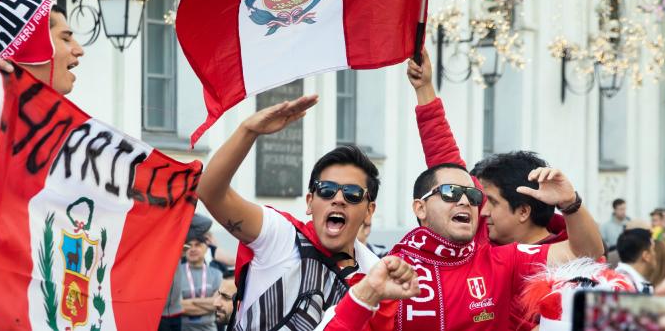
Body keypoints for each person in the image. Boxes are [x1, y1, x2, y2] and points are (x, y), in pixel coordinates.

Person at [323, 49, 605, 331]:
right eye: (450, 193)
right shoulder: (387, 273)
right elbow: (444, 157)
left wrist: (571, 203)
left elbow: (587, 254)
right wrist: (424, 90)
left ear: (523, 211)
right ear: (419, 207)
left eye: (474, 197)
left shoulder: (504, 261)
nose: (468, 203)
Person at [196, 97, 418, 330]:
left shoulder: (375, 275)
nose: (338, 199)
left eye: (352, 193)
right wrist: (248, 131)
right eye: (327, 190)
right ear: (310, 202)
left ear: (369, 211)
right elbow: (210, 192)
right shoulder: (279, 235)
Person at [0, 0, 84, 267]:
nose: (79, 50)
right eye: (66, 38)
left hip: (30, 279)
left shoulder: (55, 119)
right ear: (34, 45)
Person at [469, 152, 569, 246]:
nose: (483, 212)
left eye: (493, 202)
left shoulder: (568, 259)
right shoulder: (474, 246)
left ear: (523, 212)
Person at [181, 215, 224, 331]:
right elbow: (176, 307)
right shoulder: (175, 274)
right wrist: (208, 304)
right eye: (189, 245)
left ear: (206, 248)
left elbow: (217, 304)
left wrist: (189, 302)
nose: (193, 249)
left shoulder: (217, 274)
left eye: (198, 245)